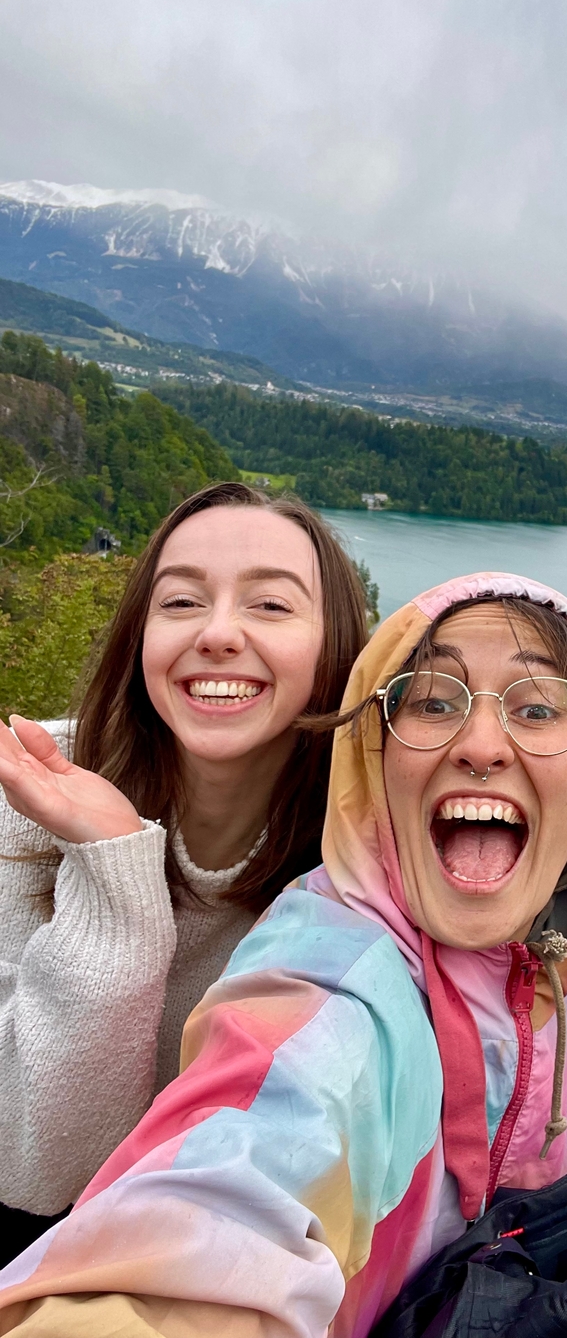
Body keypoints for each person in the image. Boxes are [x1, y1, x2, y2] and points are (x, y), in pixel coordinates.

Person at [2, 571, 567, 1338]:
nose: (479, 744)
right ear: (377, 764)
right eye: (433, 702)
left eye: (537, 708)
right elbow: (221, 1197)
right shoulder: (337, 993)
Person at [0, 480, 367, 1259]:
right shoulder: (29, 793)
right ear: (141, 635)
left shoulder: (350, 886)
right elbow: (32, 1165)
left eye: (271, 605)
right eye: (180, 602)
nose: (220, 633)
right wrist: (112, 870)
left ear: (334, 649)